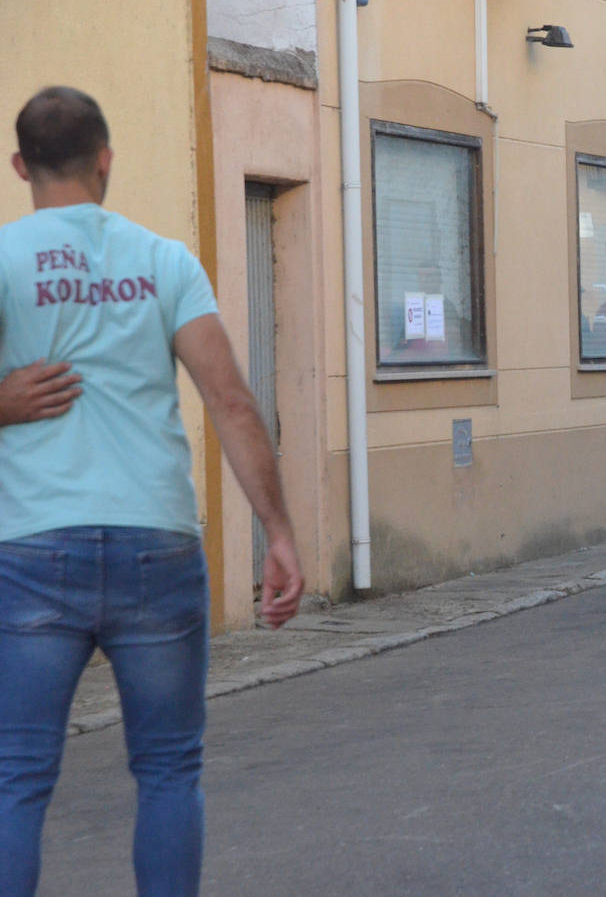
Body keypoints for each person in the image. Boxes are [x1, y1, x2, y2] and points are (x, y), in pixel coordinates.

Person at [0, 86, 304, 895]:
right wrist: (277, 533)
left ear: (21, 165)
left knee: (16, 778)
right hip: (156, 550)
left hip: (32, 553)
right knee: (169, 770)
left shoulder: (1, 261)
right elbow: (231, 402)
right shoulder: (166, 261)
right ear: (106, 159)